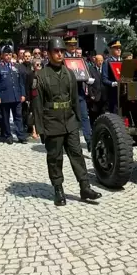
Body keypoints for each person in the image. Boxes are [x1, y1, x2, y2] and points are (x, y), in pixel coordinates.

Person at [32, 38, 102, 206]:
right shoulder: (40, 76)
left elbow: (75, 101)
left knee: (77, 155)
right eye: (56, 51)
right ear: (48, 54)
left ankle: (85, 187)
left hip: (69, 121)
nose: (59, 54)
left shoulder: (69, 74)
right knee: (55, 158)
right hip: (52, 122)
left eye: (61, 51)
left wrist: (77, 121)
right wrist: (40, 129)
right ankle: (58, 189)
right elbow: (37, 105)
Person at [0, 45, 27, 144]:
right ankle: (8, 135)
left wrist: (23, 94)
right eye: (6, 54)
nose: (8, 56)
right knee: (5, 117)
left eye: (10, 54)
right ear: (3, 55)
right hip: (5, 96)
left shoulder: (16, 66)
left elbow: (21, 82)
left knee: (18, 116)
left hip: (16, 95)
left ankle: (21, 136)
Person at [101, 40, 122, 113]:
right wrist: (113, 83)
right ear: (111, 49)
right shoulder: (107, 62)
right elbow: (104, 79)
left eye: (119, 48)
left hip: (122, 93)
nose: (119, 49)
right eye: (116, 48)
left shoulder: (123, 62)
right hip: (112, 95)